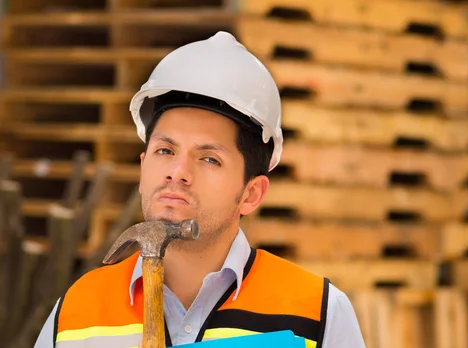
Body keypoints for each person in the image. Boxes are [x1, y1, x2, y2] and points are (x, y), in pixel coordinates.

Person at [33, 31, 366, 348]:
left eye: (209, 158)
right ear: (142, 165)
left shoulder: (316, 314)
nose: (178, 172)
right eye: (165, 150)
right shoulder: (76, 313)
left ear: (251, 194)